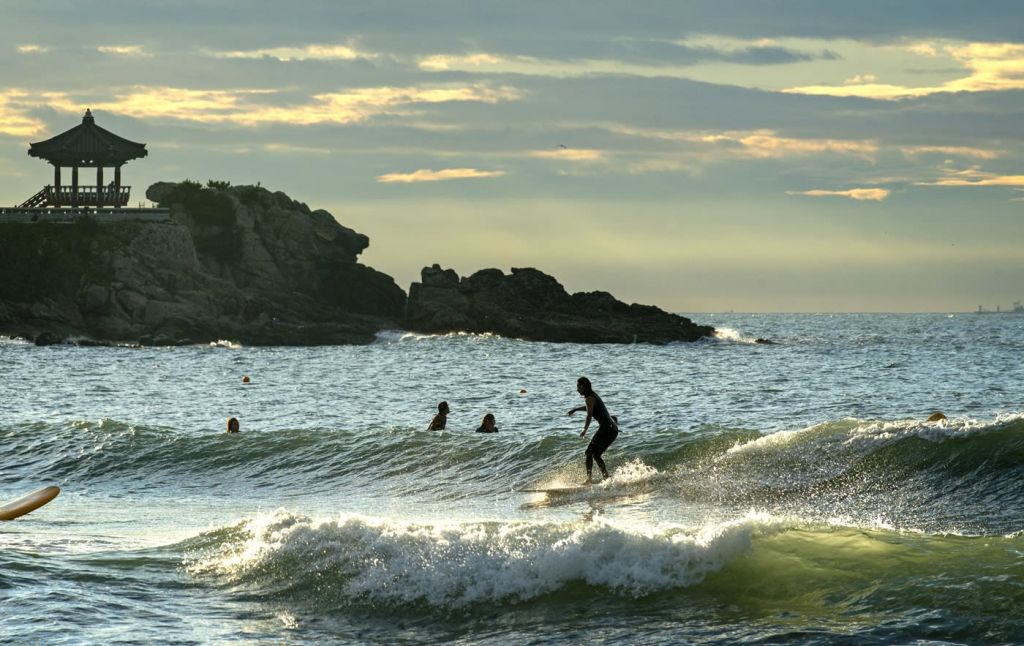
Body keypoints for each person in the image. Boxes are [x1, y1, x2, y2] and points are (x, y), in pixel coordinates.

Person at [567, 377, 619, 485]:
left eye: (578, 387)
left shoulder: (589, 398)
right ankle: (606, 477)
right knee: (596, 454)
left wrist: (584, 429)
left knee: (589, 453)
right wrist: (576, 409)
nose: (577, 389)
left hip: (606, 428)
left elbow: (589, 414)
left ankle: (589, 480)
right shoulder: (592, 396)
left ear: (583, 386)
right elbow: (590, 407)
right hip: (612, 429)